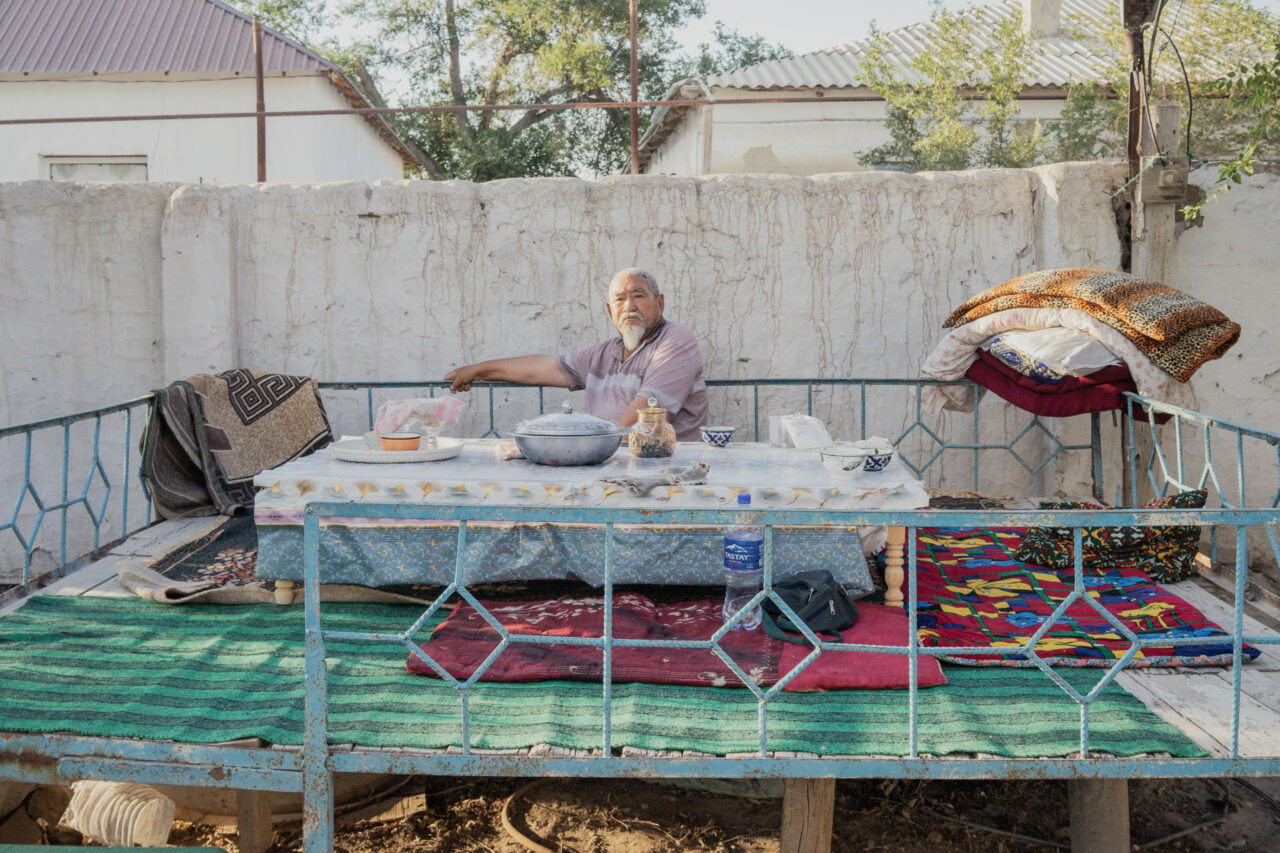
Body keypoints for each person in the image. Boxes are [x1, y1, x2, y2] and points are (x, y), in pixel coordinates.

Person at [446, 268, 708, 440]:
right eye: (619, 300)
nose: (629, 306)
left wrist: (581, 450)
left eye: (638, 296)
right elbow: (543, 368)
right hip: (611, 467)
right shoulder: (605, 353)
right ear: (610, 310)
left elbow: (645, 420)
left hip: (667, 471)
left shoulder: (675, 340)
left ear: (659, 303)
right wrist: (478, 370)